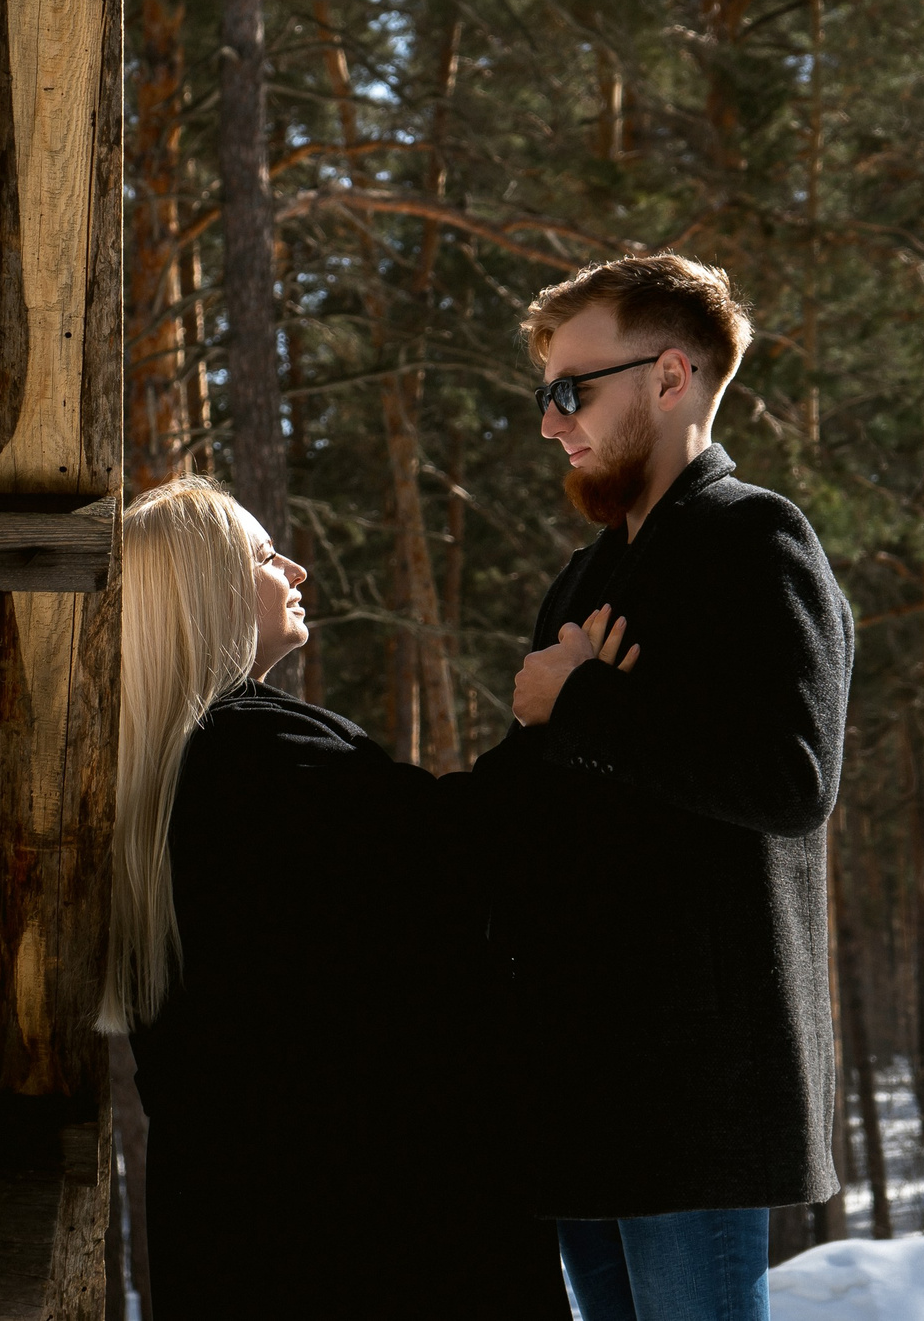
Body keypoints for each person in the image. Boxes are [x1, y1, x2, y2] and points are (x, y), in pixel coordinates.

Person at [478, 254, 853, 1321]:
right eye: (544, 394)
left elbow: (791, 779)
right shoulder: (584, 578)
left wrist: (579, 704)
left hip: (695, 1095)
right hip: (579, 1084)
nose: (551, 424)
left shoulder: (755, 539)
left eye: (571, 391)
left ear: (672, 377)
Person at [102, 478, 575, 1319]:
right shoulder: (252, 759)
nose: (295, 566)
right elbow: (461, 859)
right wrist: (553, 719)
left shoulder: (173, 775)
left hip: (245, 1233)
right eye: (258, 552)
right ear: (203, 590)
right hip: (360, 1231)